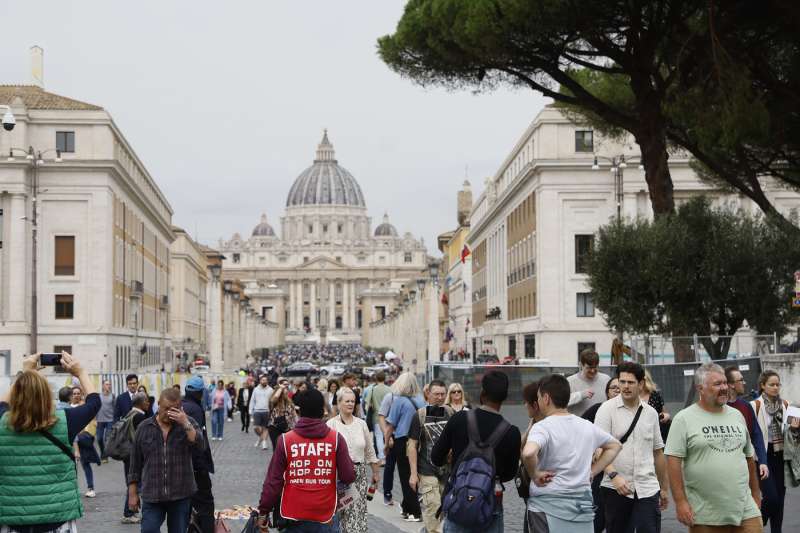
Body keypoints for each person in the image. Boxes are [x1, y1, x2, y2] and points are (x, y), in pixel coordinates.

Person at [0, 352, 101, 533]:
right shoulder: (65, 421)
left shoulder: (2, 422)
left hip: (13, 520)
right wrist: (80, 372)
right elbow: (94, 402)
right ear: (47, 395)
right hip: (57, 519)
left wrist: (24, 374)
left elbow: (2, 404)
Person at [665, 362, 761, 532]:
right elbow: (673, 462)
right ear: (700, 388)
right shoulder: (684, 419)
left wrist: (755, 495)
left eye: (725, 383)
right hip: (705, 513)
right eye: (717, 384)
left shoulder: (737, 415)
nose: (724, 388)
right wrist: (680, 502)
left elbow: (749, 457)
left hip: (745, 509)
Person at [522, 373, 621, 533]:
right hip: (581, 506)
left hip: (546, 506)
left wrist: (535, 474)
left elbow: (528, 453)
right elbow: (615, 446)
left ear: (546, 398)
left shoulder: (542, 427)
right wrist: (593, 471)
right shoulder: (586, 425)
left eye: (539, 397)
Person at [433, 371, 522, 533]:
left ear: (482, 393)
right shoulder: (512, 432)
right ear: (504, 398)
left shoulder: (459, 419)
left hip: (458, 500)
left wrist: (453, 459)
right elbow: (510, 473)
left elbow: (436, 457)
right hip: (490, 504)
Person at [257, 389, 356, 532]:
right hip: (325, 513)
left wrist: (264, 511)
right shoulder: (336, 439)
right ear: (323, 410)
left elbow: (273, 481)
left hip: (293, 514)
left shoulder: (285, 440)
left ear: (299, 411)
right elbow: (348, 476)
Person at [595, 362, 669, 533]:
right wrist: (614, 476)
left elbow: (658, 452)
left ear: (641, 384)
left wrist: (664, 488)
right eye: (622, 382)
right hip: (616, 488)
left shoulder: (650, 413)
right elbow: (599, 449)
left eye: (631, 382)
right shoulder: (606, 410)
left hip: (647, 487)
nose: (625, 386)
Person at [127, 388, 204, 533]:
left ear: (180, 408)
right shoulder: (144, 427)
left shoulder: (187, 424)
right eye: (166, 408)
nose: (169, 413)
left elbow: (201, 445)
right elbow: (135, 463)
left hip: (180, 494)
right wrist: (132, 493)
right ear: (158, 404)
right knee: (148, 530)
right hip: (152, 494)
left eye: (174, 409)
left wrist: (185, 423)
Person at [327, 387, 380, 533]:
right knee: (338, 515)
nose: (350, 404)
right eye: (347, 401)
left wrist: (376, 473)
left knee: (357, 514)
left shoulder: (361, 424)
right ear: (338, 403)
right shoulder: (331, 425)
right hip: (338, 476)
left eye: (353, 401)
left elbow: (369, 451)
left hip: (359, 475)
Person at [408, 380, 453, 533]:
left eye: (442, 394)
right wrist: (413, 474)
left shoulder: (450, 413)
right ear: (428, 394)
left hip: (447, 471)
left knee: (446, 510)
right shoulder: (420, 415)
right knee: (432, 507)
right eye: (436, 394)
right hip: (426, 469)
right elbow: (412, 446)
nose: (440, 397)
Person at [384, 372, 426, 522]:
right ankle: (407, 508)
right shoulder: (421, 401)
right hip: (419, 441)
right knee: (414, 474)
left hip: (402, 440)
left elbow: (390, 426)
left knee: (405, 476)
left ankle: (415, 511)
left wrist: (386, 443)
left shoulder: (399, 401)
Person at [581, 376, 620, 533]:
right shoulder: (597, 409)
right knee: (597, 517)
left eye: (620, 386)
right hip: (600, 471)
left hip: (623, 471)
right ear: (607, 393)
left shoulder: (634, 411)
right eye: (613, 387)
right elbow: (580, 430)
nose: (618, 389)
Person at [751, 370, 789, 533]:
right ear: (762, 386)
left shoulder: (785, 404)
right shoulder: (755, 405)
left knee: (780, 500)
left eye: (777, 384)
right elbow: (752, 433)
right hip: (763, 457)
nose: (775, 388)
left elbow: (789, 432)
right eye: (771, 384)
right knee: (771, 498)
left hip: (781, 455)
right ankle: (756, 524)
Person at [183, 377, 216, 533]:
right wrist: (201, 467)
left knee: (187, 506)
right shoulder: (196, 409)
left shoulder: (181, 406)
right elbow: (197, 441)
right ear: (199, 393)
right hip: (196, 467)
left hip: (182, 467)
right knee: (206, 505)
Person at [725, 367, 769, 481]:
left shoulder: (746, 406)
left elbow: (756, 434)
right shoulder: (719, 409)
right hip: (727, 470)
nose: (744, 382)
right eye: (741, 380)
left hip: (747, 465)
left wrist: (763, 461)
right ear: (731, 385)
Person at [71, 387, 102, 499]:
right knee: (71, 466)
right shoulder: (68, 407)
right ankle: (72, 489)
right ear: (71, 395)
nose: (76, 395)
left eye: (78, 393)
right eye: (74, 393)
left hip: (83, 438)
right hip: (71, 440)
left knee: (85, 464)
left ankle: (91, 488)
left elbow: (92, 423)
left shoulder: (85, 407)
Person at [567, 348, 611, 416]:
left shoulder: (606, 379)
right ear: (581, 365)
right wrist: (580, 395)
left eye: (595, 367)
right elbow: (561, 403)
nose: (593, 371)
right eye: (589, 367)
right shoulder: (569, 381)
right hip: (578, 424)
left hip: (600, 424)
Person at [364, 372, 391, 465]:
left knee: (379, 438)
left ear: (376, 378)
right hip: (389, 417)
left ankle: (382, 458)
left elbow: (367, 404)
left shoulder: (372, 389)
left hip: (377, 416)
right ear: (385, 378)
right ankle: (389, 456)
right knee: (388, 436)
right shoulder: (390, 389)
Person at [641, 370, 671, 441]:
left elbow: (664, 412)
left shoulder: (655, 395)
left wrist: (666, 415)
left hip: (655, 432)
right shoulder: (630, 396)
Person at [268, 378, 297, 451]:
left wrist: (297, 425)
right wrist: (281, 388)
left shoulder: (289, 400)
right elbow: (274, 399)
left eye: (287, 386)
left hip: (287, 427)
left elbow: (294, 414)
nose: (286, 388)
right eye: (284, 385)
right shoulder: (275, 398)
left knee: (287, 448)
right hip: (275, 427)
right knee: (277, 448)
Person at [250, 374, 274, 450]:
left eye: (265, 380)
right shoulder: (256, 389)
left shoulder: (270, 390)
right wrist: (250, 410)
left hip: (267, 411)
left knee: (266, 428)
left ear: (267, 381)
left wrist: (272, 411)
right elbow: (252, 400)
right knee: (256, 427)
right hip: (257, 411)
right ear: (260, 381)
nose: (264, 381)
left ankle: (264, 442)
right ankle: (261, 438)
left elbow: (272, 401)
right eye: (263, 380)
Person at [97, 380, 116, 462]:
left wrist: (115, 420)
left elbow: (115, 408)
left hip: (110, 420)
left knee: (106, 439)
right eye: (107, 384)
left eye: (109, 384)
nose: (108, 386)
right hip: (100, 420)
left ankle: (104, 456)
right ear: (103, 386)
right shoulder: (98, 396)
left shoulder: (113, 396)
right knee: (99, 439)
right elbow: (95, 407)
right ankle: (103, 452)